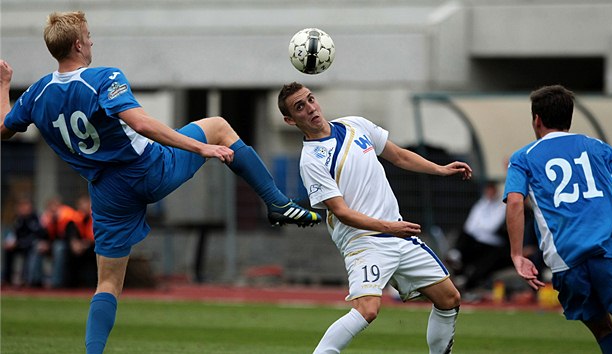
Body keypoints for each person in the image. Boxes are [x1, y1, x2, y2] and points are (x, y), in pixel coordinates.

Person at [0, 11, 321, 354]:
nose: (92, 41)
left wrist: (4, 85)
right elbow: (141, 125)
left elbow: (4, 128)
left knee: (107, 282)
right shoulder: (102, 78)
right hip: (148, 169)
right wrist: (201, 147)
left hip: (107, 193)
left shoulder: (36, 94)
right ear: (78, 44)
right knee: (218, 126)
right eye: (89, 35)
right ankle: (276, 202)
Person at [278, 82, 473, 354]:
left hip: (397, 234)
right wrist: (390, 227)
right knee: (367, 309)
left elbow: (399, 156)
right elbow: (342, 212)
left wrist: (440, 169)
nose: (310, 108)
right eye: (300, 107)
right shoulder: (311, 160)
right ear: (290, 120)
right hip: (363, 241)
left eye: (310, 99)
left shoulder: (354, 124)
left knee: (449, 298)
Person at [503, 85, 612, 354]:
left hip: (565, 262)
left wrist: (517, 255)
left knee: (602, 328)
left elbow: (514, 201)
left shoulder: (523, 157)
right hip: (610, 249)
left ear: (536, 119)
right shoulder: (598, 148)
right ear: (570, 118)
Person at [447, 180, 512, 294]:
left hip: (492, 242)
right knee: (463, 234)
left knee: (481, 260)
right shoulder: (481, 204)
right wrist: (479, 229)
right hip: (477, 240)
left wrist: (478, 228)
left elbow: (492, 226)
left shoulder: (502, 206)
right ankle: (456, 259)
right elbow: (469, 225)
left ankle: (462, 274)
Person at [1, 196, 47, 287]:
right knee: (8, 250)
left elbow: (39, 234)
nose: (23, 208)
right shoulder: (18, 219)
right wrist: (11, 241)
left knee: (33, 250)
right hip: (20, 244)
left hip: (32, 245)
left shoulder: (36, 218)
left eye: (25, 205)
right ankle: (7, 278)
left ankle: (28, 279)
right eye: (21, 206)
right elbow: (14, 233)